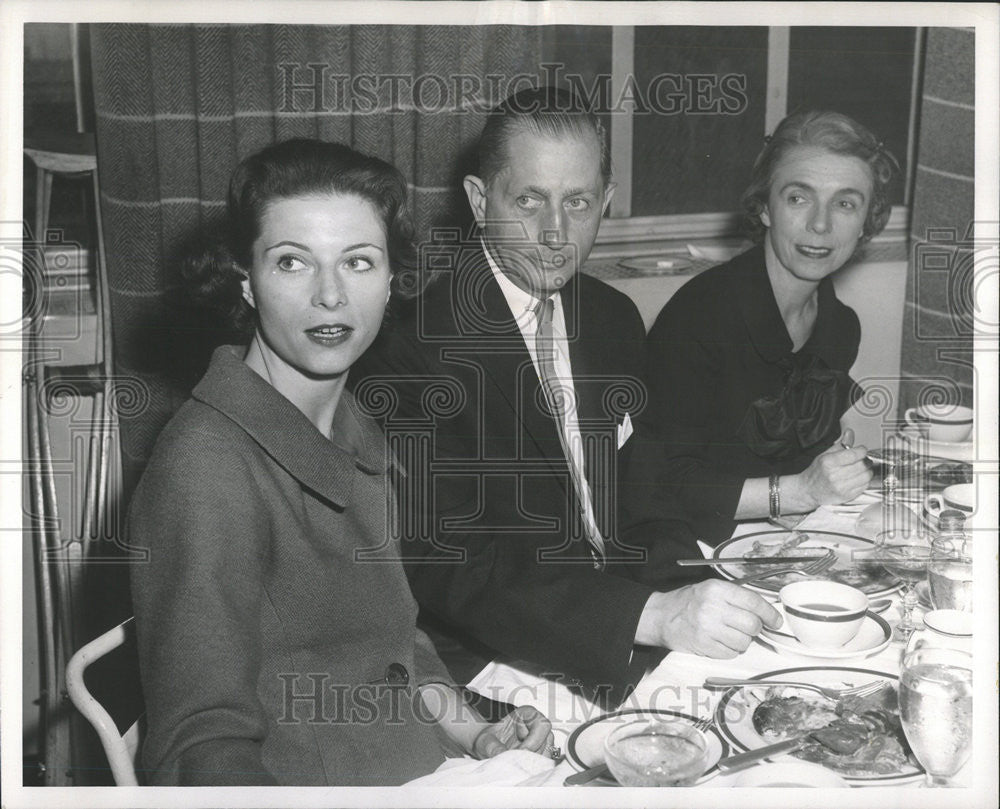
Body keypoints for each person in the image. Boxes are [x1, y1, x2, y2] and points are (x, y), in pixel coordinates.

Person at [128, 139, 554, 786]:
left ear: (390, 280)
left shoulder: (353, 420)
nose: (330, 295)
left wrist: (476, 730)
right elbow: (199, 745)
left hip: (416, 765)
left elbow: (394, 643)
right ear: (246, 279)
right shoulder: (205, 466)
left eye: (358, 261)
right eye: (293, 262)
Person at [351, 88, 781, 709]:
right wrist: (649, 616)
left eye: (578, 202)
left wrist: (693, 590)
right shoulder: (411, 348)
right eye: (529, 200)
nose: (556, 233)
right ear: (479, 201)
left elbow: (646, 498)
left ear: (605, 203)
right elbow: (451, 567)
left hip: (627, 614)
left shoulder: (612, 318)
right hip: (492, 661)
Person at [629, 110, 897, 542]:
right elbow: (661, 486)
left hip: (780, 544)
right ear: (764, 208)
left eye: (845, 203)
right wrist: (800, 490)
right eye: (798, 197)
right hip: (686, 551)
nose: (821, 224)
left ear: (867, 221)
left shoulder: (840, 326)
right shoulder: (698, 317)